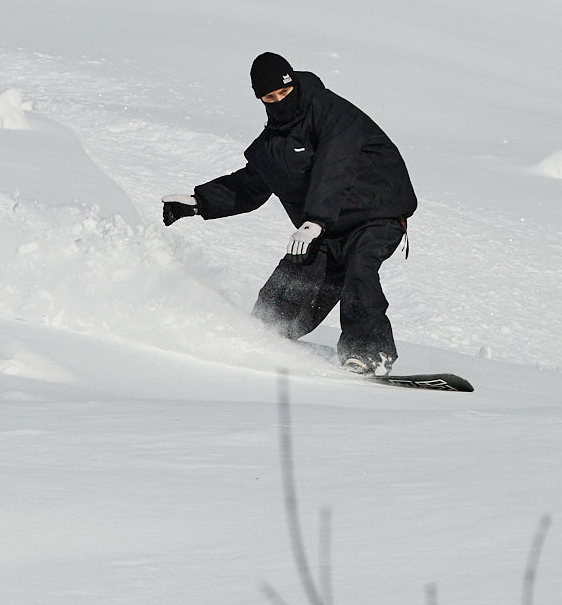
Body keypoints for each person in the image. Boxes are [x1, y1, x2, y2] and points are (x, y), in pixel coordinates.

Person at [161, 52, 417, 376]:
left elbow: (334, 166)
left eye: (285, 92)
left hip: (377, 214)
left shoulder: (332, 113)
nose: (280, 101)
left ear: (293, 83)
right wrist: (199, 202)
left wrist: (316, 219)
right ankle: (265, 336)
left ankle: (369, 354)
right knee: (293, 278)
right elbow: (250, 185)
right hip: (325, 228)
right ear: (261, 99)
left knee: (360, 269)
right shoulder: (272, 146)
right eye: (271, 97)